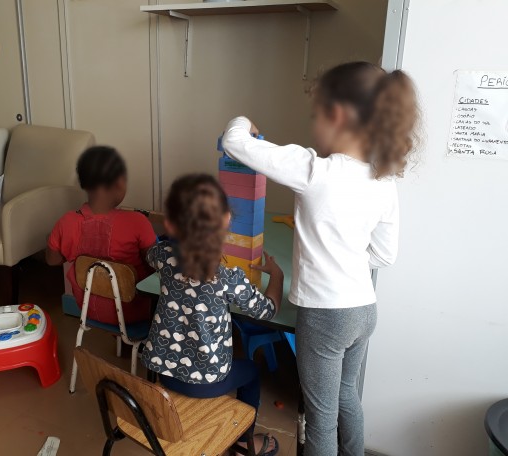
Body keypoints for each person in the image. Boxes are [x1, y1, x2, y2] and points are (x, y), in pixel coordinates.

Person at [222, 62, 420, 456]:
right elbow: (385, 254)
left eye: (316, 115)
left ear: (338, 116)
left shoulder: (315, 169)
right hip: (363, 310)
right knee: (348, 397)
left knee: (320, 416)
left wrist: (244, 120)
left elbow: (235, 142)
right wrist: (343, 252)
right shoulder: (383, 180)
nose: (313, 125)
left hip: (326, 316)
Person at [142, 174, 284, 456]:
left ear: (171, 224)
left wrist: (174, 237)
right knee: (252, 372)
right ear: (227, 220)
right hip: (208, 382)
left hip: (163, 373)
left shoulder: (163, 256)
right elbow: (268, 310)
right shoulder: (228, 278)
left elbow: (151, 253)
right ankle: (244, 441)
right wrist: (276, 275)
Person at [46, 146, 156, 325]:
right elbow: (155, 264)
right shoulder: (137, 222)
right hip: (135, 313)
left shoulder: (66, 222)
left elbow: (52, 260)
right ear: (120, 184)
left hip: (89, 310)